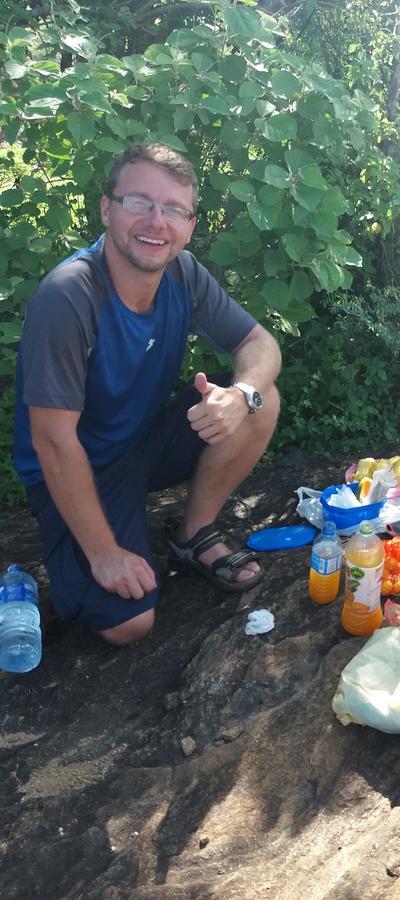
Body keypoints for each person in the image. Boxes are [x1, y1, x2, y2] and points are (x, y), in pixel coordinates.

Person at [13, 142, 282, 645]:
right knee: (129, 623)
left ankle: (192, 535)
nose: (157, 221)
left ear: (189, 225)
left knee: (261, 404)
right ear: (107, 209)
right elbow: (52, 443)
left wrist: (242, 392)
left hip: (140, 443)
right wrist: (104, 554)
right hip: (75, 468)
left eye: (174, 209)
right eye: (139, 201)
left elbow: (259, 343)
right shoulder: (69, 295)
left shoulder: (183, 273)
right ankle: (104, 538)